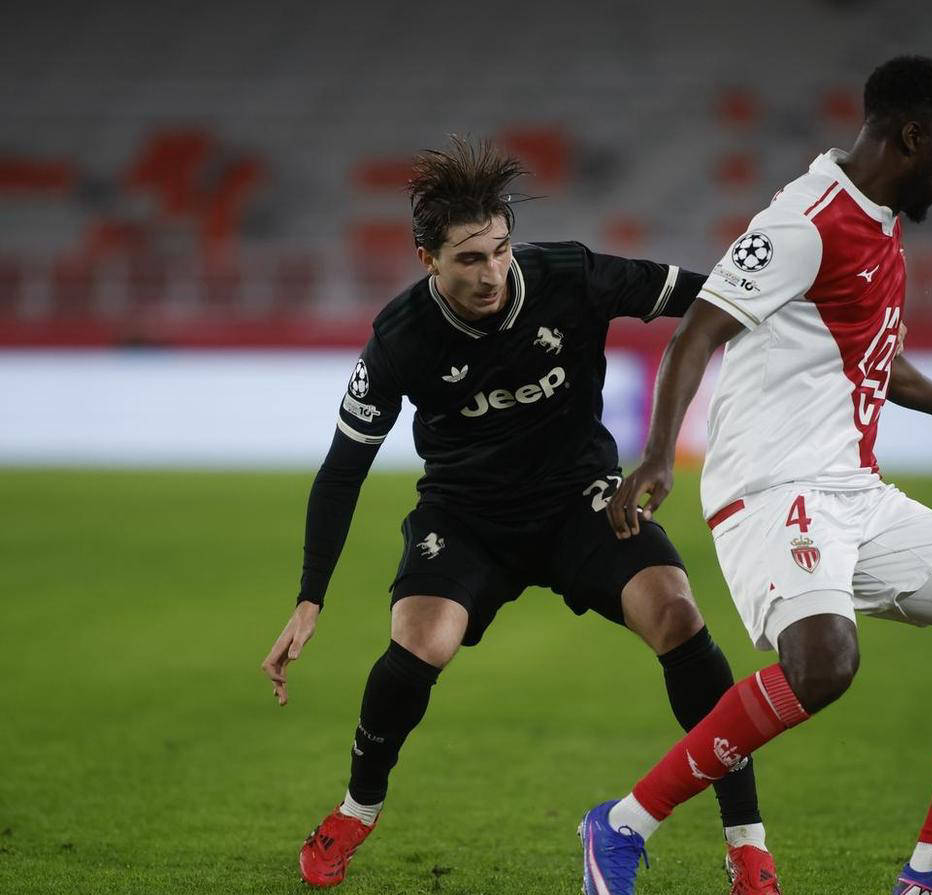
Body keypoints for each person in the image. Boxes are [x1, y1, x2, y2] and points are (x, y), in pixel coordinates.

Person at [579, 55, 932, 895]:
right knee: (824, 665)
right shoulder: (804, 221)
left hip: (855, 491)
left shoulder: (881, 222)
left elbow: (873, 355)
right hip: (772, 489)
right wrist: (657, 453)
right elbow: (696, 332)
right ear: (911, 136)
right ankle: (620, 824)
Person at [259, 136, 782, 893]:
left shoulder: (569, 275)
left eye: (501, 250)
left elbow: (708, 300)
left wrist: (804, 311)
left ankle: (747, 845)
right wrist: (310, 597)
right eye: (469, 258)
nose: (491, 273)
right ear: (427, 260)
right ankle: (355, 809)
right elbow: (343, 468)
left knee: (677, 614)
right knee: (421, 639)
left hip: (582, 499)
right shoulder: (399, 338)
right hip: (467, 514)